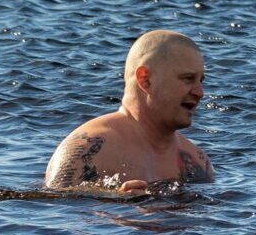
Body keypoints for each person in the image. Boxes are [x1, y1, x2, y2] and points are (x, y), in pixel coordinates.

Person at [45, 30, 214, 193]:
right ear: (145, 80)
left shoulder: (198, 162)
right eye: (187, 79)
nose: (200, 92)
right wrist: (114, 202)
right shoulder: (87, 150)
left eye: (201, 80)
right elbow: (55, 210)